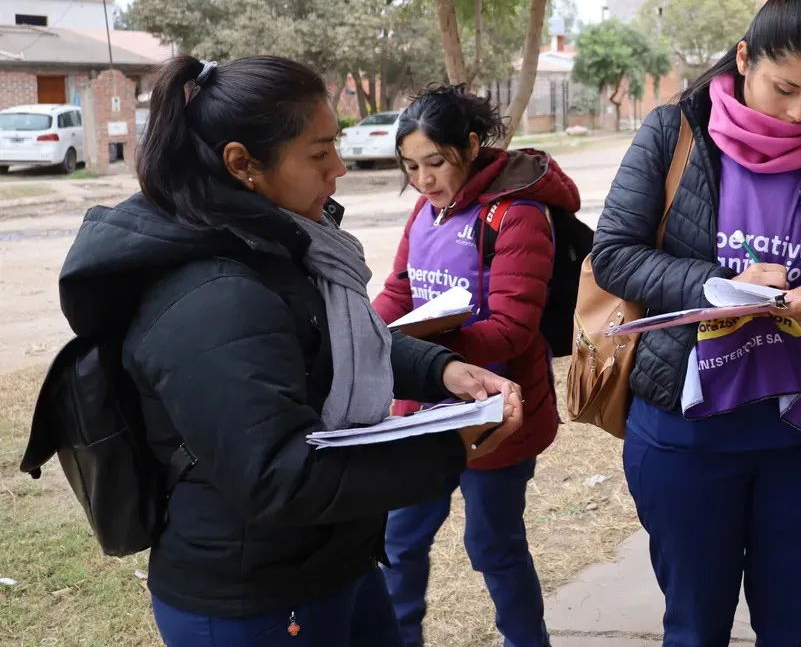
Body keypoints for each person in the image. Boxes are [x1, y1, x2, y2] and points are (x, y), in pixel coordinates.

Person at [56, 56, 524, 647]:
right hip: (256, 600)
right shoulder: (214, 293)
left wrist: (444, 371)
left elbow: (338, 342)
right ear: (242, 163)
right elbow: (278, 478)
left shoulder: (279, 244)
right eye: (319, 151)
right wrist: (450, 447)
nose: (340, 167)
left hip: (332, 561)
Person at [589, 0, 801, 646]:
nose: (799, 114)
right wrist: (720, 286)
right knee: (694, 628)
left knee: (792, 627)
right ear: (744, 59)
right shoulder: (673, 132)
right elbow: (613, 254)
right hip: (687, 439)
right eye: (784, 89)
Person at [372, 85, 579, 647]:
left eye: (435, 162)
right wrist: (366, 338)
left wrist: (426, 357)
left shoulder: (518, 215)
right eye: (411, 166)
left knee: (494, 545)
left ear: (468, 145)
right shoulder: (425, 208)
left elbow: (513, 328)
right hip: (422, 408)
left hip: (498, 411)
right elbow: (400, 288)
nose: (423, 179)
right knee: (400, 540)